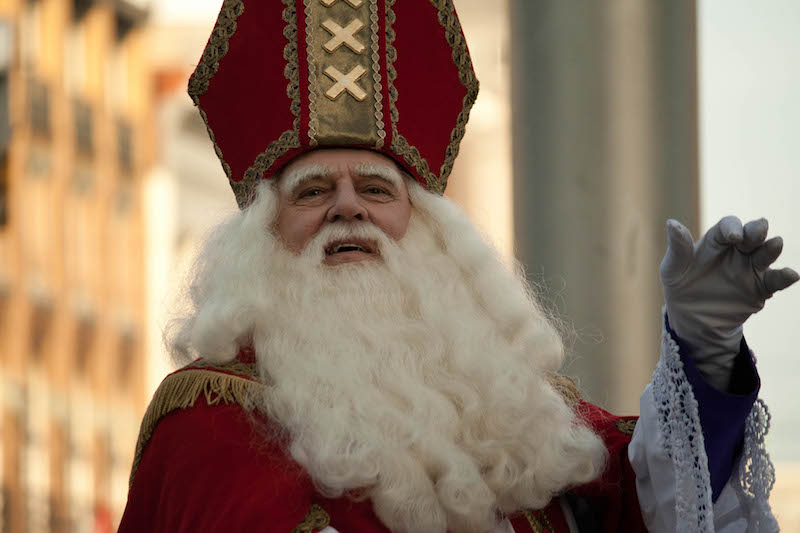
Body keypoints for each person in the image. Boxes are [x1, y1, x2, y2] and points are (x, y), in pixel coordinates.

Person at [119, 1, 797, 532]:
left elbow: (656, 504)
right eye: (314, 190)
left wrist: (705, 352)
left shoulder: (515, 421)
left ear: (431, 236)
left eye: (378, 189)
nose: (347, 208)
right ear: (262, 240)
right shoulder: (209, 427)